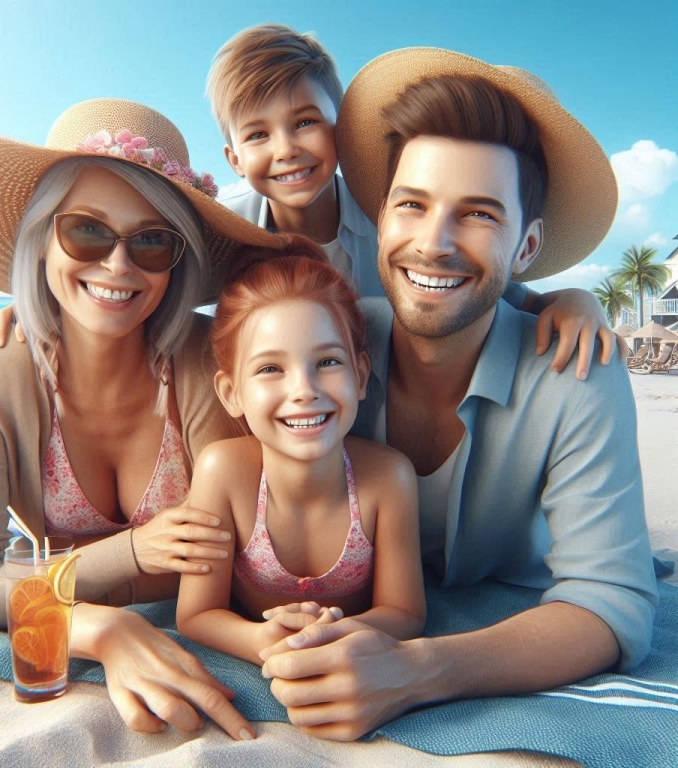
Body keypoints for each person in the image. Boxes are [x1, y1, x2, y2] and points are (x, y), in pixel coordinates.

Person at [256, 48, 659, 741]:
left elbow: (611, 602)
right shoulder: (321, 352)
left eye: (477, 214)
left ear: (527, 246)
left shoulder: (576, 374)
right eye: (412, 205)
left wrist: (419, 671)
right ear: (381, 219)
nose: (433, 243)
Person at [0, 97, 300, 739]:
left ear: (178, 262)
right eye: (87, 231)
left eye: (152, 241)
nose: (118, 265)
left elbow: (238, 557)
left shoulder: (210, 362)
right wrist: (102, 619)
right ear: (40, 238)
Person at [207, 23, 622, 380]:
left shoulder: (393, 214)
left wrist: (573, 300)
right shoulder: (222, 232)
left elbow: (495, 284)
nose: (286, 150)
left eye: (305, 122)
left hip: (386, 401)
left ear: (340, 128)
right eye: (258, 134)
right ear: (234, 160)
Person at [176, 256, 425, 664]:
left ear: (360, 376)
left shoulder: (388, 478)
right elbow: (196, 613)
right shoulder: (221, 471)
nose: (303, 390)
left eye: (327, 362)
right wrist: (262, 641)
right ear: (231, 393)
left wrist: (329, 639)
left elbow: (406, 613)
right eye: (271, 368)